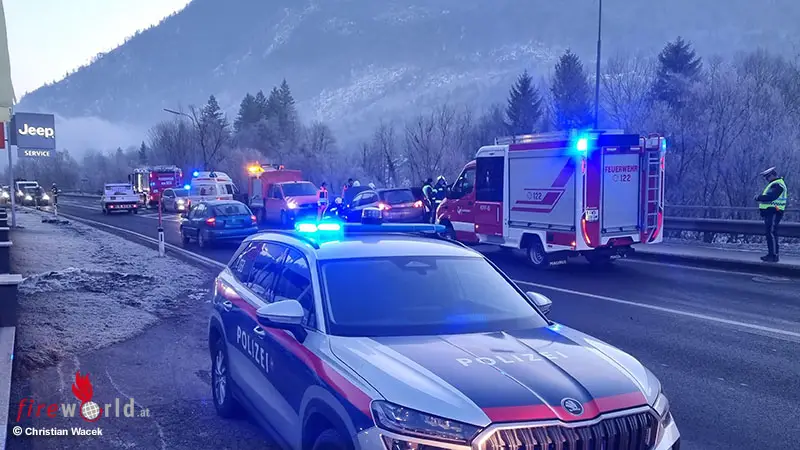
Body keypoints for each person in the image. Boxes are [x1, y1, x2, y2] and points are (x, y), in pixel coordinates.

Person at [754, 167, 787, 262]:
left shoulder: (778, 184)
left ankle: (774, 255)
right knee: (770, 233)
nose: (766, 179)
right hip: (771, 212)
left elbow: (771, 196)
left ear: (773, 175)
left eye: (767, 177)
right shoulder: (774, 184)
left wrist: (759, 197)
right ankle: (771, 254)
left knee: (771, 233)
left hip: (774, 211)